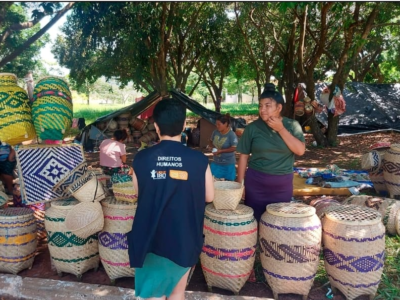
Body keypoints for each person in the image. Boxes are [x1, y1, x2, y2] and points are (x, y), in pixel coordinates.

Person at [127, 98, 214, 300]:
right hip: (184, 238)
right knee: (177, 293)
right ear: (184, 125)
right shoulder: (199, 160)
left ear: (156, 126)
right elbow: (209, 196)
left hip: (151, 239)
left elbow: (139, 193)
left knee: (152, 295)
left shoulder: (141, 159)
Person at [236, 83, 305, 221]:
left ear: (279, 107)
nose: (262, 110)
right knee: (254, 221)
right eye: (260, 106)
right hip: (256, 184)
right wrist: (240, 185)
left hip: (282, 184)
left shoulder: (292, 126)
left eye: (267, 106)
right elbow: (243, 157)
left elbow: (300, 150)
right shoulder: (252, 128)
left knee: (278, 223)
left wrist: (281, 129)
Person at [207, 113, 238, 181]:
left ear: (225, 124)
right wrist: (211, 146)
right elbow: (210, 140)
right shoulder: (215, 132)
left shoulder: (231, 135)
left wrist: (221, 151)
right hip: (216, 162)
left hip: (228, 164)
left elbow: (234, 148)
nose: (217, 126)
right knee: (213, 182)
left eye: (219, 124)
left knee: (228, 185)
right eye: (216, 124)